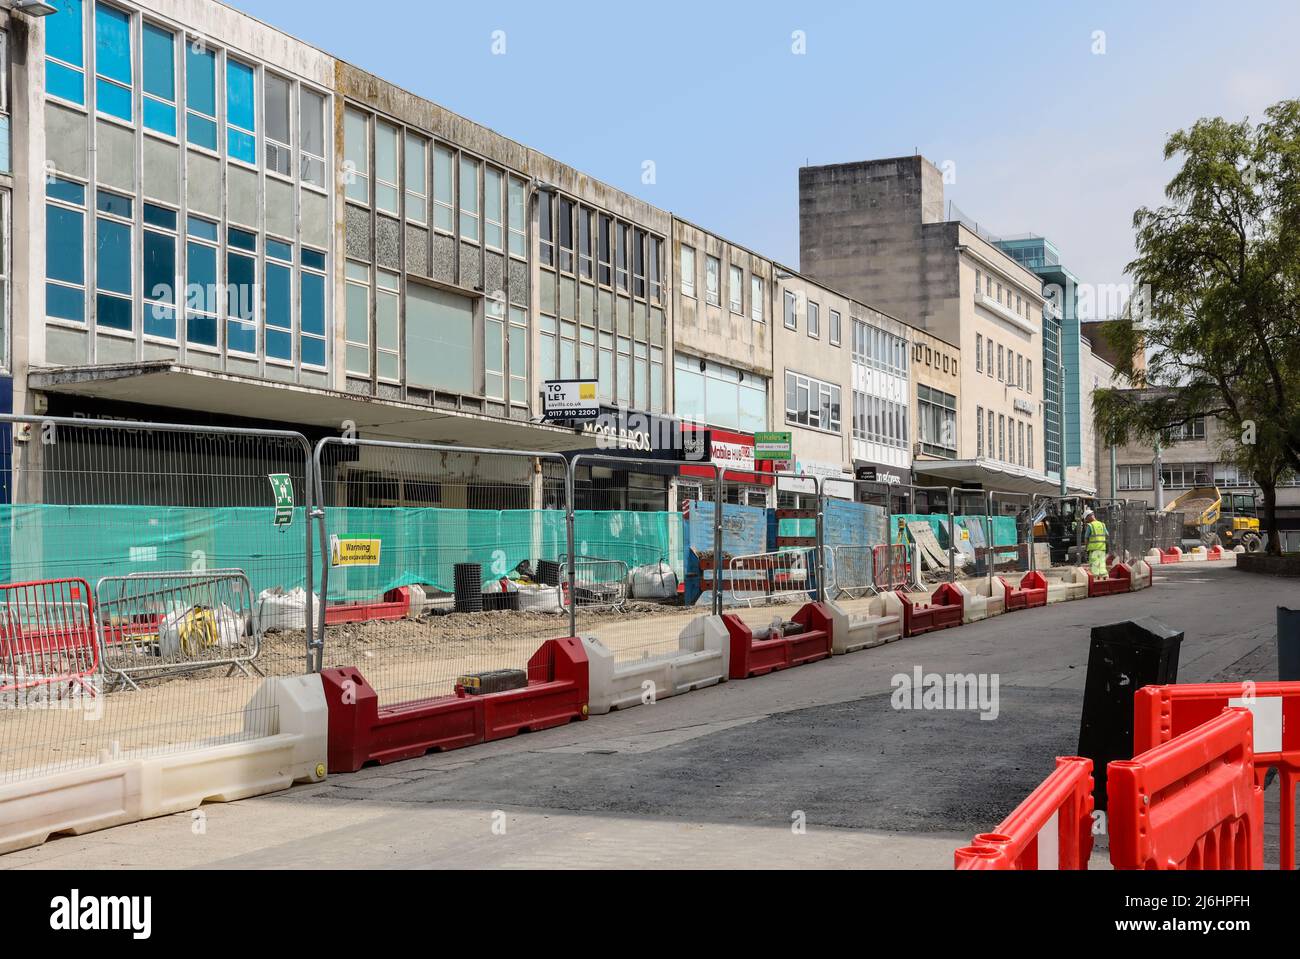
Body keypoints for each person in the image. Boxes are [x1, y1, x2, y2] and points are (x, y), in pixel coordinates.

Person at [1084, 508, 1109, 577]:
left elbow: (1086, 538)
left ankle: (1095, 578)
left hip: (1093, 549)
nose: (1086, 520)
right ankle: (1104, 576)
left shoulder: (1090, 526)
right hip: (1102, 548)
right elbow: (1107, 535)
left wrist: (1086, 548)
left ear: (1089, 516)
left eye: (1086, 518)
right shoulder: (1102, 524)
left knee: (1094, 563)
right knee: (1102, 563)